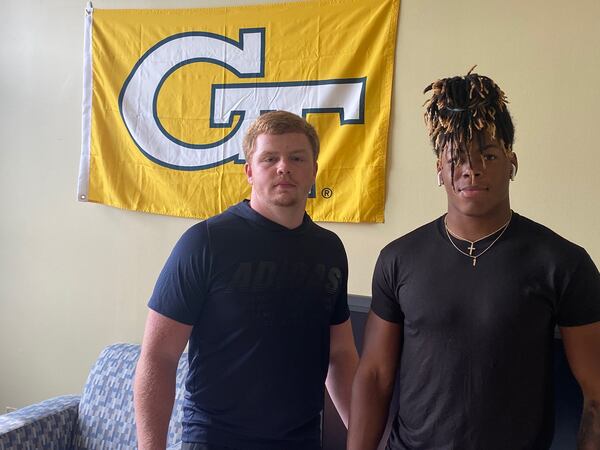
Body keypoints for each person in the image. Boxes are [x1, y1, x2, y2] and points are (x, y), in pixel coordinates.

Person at [348, 70, 600, 450]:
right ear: (439, 170)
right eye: (457, 157)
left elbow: (596, 392)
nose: (472, 168)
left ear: (512, 162)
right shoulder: (398, 258)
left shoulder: (562, 262)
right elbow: (376, 375)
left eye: (488, 154)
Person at [134, 110, 358, 450]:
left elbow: (340, 354)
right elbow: (158, 357)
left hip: (302, 441)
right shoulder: (205, 243)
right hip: (216, 439)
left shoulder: (330, 251)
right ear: (250, 172)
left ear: (313, 171)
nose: (284, 167)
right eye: (270, 158)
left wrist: (364, 434)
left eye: (297, 158)